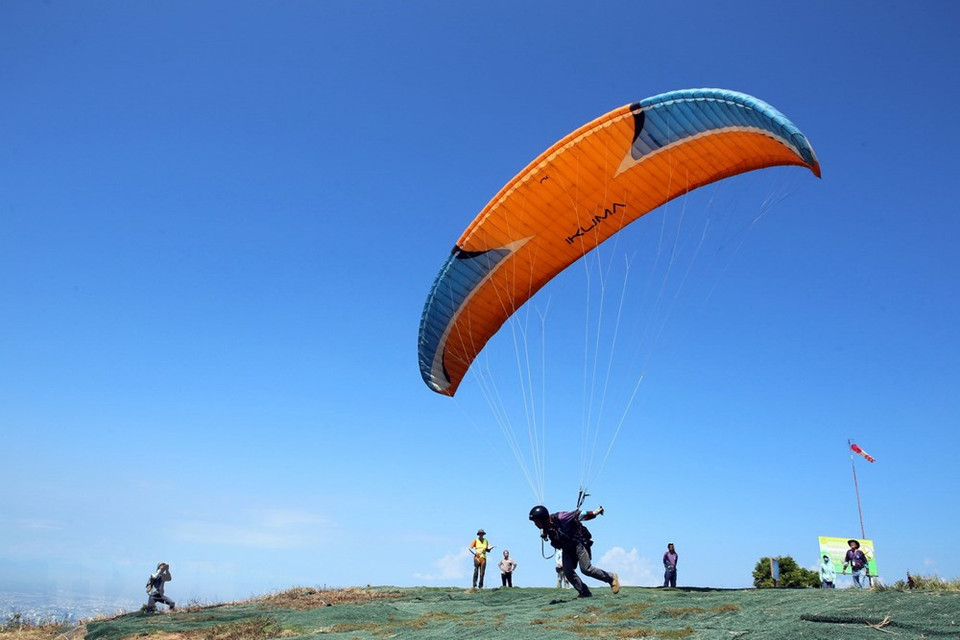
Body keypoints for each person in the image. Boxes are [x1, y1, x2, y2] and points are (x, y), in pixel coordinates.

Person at [529, 504, 619, 599]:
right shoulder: (546, 527)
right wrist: (545, 534)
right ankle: (584, 592)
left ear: (543, 519)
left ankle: (611, 577)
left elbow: (578, 514)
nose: (535, 524)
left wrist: (593, 513)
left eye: (536, 522)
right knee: (567, 571)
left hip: (578, 544)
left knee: (586, 569)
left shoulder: (561, 517)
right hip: (566, 548)